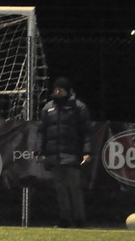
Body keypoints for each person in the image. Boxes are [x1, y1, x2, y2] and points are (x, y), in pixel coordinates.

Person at [35, 77, 92, 228]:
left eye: (60, 89)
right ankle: (65, 219)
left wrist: (87, 151)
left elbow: (86, 132)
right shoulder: (48, 108)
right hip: (54, 156)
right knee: (60, 189)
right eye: (56, 89)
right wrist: (38, 150)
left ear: (67, 90)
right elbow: (41, 131)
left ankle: (79, 220)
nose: (57, 91)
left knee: (74, 187)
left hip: (72, 154)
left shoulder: (78, 107)